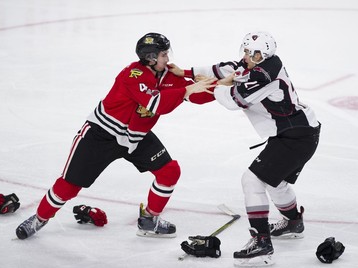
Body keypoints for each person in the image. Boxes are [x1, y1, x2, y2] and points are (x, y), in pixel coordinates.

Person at [15, 32, 215, 240]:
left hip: (136, 136)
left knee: (169, 171)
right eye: (164, 54)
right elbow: (155, 103)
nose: (168, 59)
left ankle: (149, 220)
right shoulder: (132, 74)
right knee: (69, 186)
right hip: (101, 135)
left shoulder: (168, 75)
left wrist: (226, 86)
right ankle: (40, 218)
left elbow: (198, 94)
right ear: (151, 57)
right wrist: (188, 88)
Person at [170, 31, 320, 265]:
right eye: (247, 51)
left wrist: (218, 84)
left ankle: (261, 241)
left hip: (296, 137)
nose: (248, 57)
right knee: (275, 181)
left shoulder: (265, 76)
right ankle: (293, 222)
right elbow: (226, 67)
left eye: (255, 54)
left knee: (251, 180)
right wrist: (187, 73)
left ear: (265, 56)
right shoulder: (257, 62)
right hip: (296, 132)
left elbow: (233, 100)